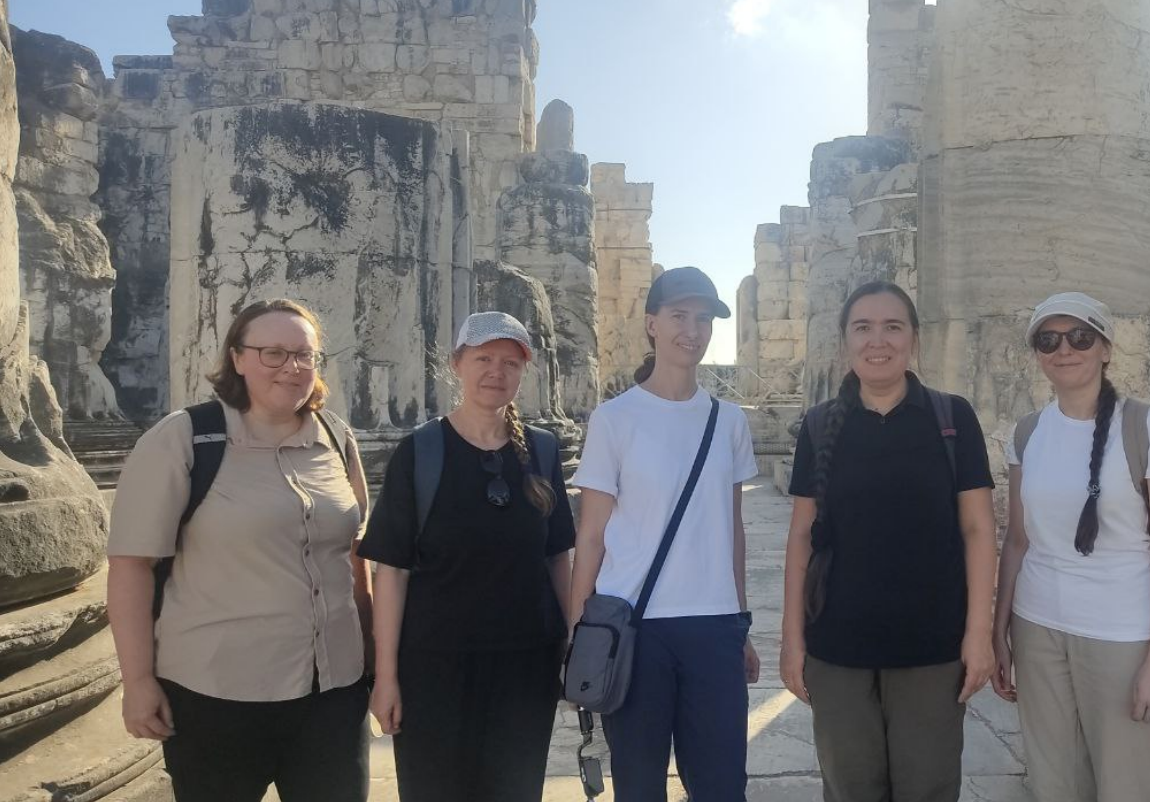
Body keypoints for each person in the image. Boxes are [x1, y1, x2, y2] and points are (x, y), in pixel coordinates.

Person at [107, 299, 372, 802]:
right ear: (238, 357)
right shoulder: (185, 438)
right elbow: (131, 566)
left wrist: (375, 666)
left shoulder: (337, 438)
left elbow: (355, 559)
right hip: (217, 694)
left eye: (304, 355)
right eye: (273, 353)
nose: (291, 367)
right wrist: (138, 680)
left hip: (333, 694)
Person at [779, 280, 998, 802]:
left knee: (927, 789)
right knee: (850, 789)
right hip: (837, 648)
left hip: (932, 648)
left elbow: (978, 529)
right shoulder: (816, 426)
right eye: (863, 328)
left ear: (914, 340)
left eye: (892, 327)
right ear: (844, 343)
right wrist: (791, 640)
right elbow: (801, 539)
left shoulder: (953, 419)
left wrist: (979, 633)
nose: (878, 341)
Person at [359, 311, 574, 801]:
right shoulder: (419, 452)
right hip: (434, 669)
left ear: (524, 371)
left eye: (510, 362)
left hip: (525, 667)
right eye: (483, 359)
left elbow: (557, 557)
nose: (496, 372)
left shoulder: (541, 451)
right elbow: (391, 571)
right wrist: (386, 677)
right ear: (457, 364)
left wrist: (572, 646)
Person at [991, 292, 1150, 802]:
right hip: (1038, 628)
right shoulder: (1027, 432)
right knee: (1052, 780)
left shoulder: (1149, 427)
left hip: (1122, 634)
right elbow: (1017, 541)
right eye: (1048, 339)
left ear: (1105, 348)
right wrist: (1000, 633)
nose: (1065, 349)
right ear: (1037, 352)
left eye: (1080, 336)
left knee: (1127, 784)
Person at [569, 266, 760, 802]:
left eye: (704, 319)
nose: (692, 331)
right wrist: (577, 634)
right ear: (651, 323)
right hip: (636, 629)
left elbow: (732, 530)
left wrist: (740, 621)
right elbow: (591, 537)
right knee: (639, 787)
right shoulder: (614, 418)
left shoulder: (729, 420)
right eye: (679, 316)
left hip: (714, 628)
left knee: (723, 786)